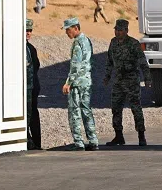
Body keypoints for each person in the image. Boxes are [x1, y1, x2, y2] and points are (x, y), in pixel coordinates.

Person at [104, 19, 152, 147]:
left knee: (136, 108)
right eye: (116, 30)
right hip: (118, 80)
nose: (117, 32)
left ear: (126, 31)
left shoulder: (133, 44)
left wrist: (147, 78)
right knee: (116, 108)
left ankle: (141, 136)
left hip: (131, 80)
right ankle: (119, 136)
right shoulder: (113, 43)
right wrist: (107, 76)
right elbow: (109, 61)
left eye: (120, 30)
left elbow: (143, 62)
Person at [62, 17, 98, 151]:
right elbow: (90, 62)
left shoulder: (77, 43)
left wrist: (68, 83)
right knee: (86, 110)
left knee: (74, 112)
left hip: (77, 83)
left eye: (68, 29)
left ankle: (79, 143)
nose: (67, 33)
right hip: (86, 81)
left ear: (76, 28)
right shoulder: (87, 40)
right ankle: (93, 140)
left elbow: (75, 65)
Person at [26, 18, 42, 150]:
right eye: (26, 30)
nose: (28, 33)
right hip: (24, 89)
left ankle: (36, 143)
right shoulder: (18, 48)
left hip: (32, 88)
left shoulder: (31, 48)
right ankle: (28, 142)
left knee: (33, 115)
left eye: (30, 30)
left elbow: (36, 66)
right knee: (27, 115)